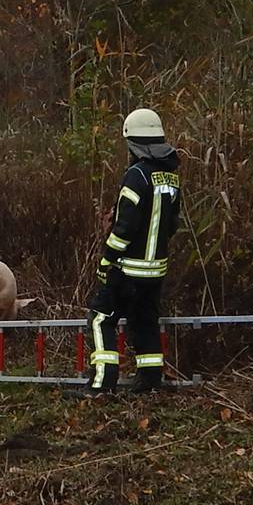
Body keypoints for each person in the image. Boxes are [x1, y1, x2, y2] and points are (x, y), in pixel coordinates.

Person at [83, 108, 183, 395]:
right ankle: (150, 381)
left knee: (101, 317)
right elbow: (172, 224)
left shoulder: (136, 176)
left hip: (128, 269)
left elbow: (124, 227)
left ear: (134, 143)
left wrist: (107, 260)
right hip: (156, 270)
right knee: (145, 321)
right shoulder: (170, 177)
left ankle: (102, 384)